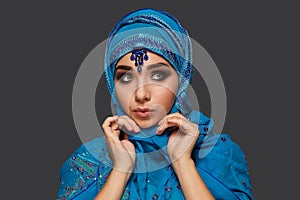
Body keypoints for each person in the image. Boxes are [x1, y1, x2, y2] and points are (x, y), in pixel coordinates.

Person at [57, 8, 253, 200]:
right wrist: (120, 170)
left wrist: (183, 163)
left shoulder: (217, 154)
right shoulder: (88, 161)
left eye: (158, 75)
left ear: (181, 81)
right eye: (125, 77)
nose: (141, 94)